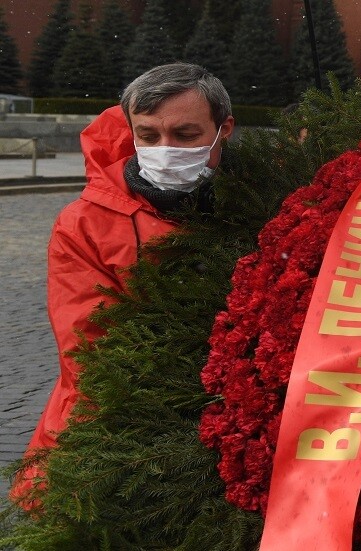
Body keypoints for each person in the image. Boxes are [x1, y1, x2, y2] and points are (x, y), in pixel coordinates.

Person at [10, 62, 235, 505]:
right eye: (148, 136)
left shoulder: (268, 196)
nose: (165, 149)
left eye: (186, 135)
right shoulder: (84, 224)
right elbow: (92, 349)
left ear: (223, 128)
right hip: (122, 430)